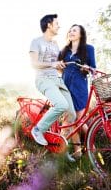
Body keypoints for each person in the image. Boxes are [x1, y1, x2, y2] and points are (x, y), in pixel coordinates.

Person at [29, 14, 76, 146]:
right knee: (61, 105)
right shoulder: (36, 42)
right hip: (44, 79)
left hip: (57, 80)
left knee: (71, 114)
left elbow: (56, 65)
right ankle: (38, 130)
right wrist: (52, 64)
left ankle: (59, 144)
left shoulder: (55, 44)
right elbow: (34, 64)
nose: (59, 26)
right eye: (56, 23)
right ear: (49, 25)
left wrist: (61, 66)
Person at [58, 24, 96, 158]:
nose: (71, 32)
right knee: (71, 120)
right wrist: (59, 66)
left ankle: (91, 148)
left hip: (80, 88)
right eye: (70, 30)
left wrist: (87, 67)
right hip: (65, 87)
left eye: (74, 30)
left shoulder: (88, 49)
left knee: (78, 120)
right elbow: (58, 69)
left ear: (81, 34)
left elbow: (94, 69)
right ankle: (78, 152)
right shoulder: (64, 51)